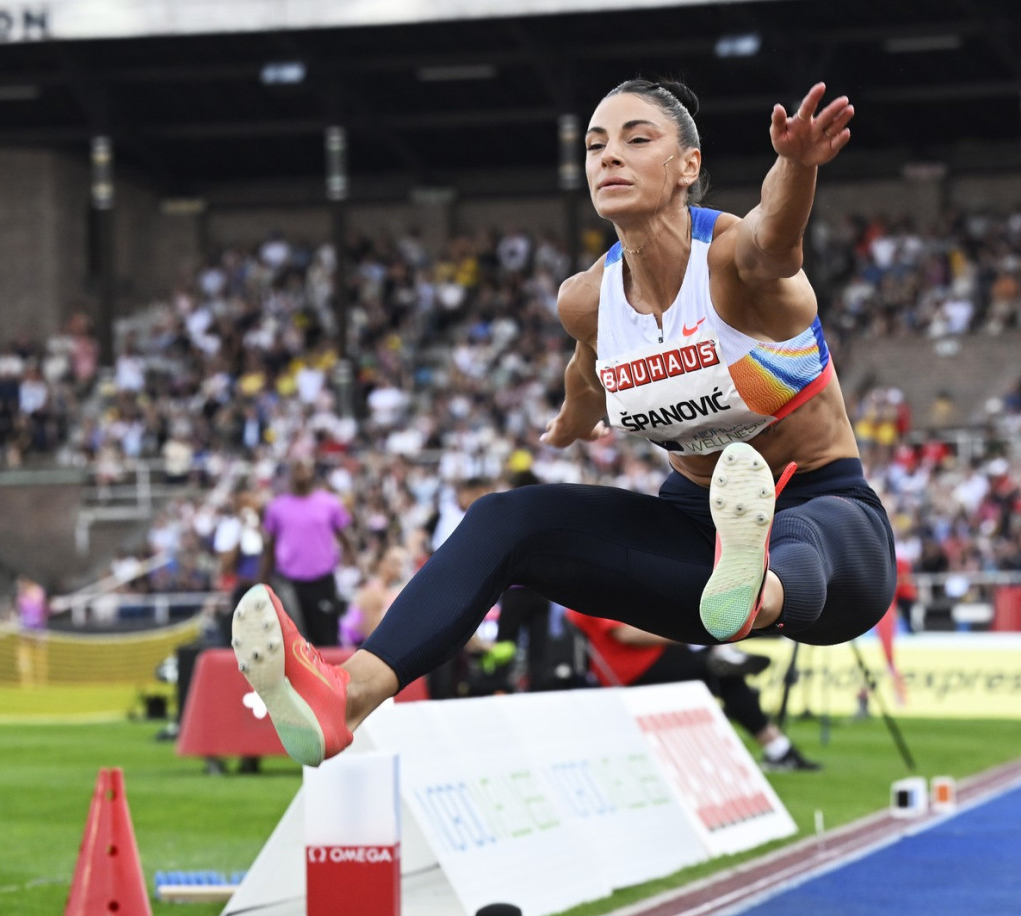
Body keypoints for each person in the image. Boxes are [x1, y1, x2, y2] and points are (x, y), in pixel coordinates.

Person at [232, 78, 896, 768]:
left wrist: (796, 164)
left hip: (831, 528)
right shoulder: (587, 299)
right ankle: (346, 694)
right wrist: (575, 417)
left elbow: (777, 239)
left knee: (798, 530)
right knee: (503, 519)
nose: (609, 156)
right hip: (691, 542)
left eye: (637, 139)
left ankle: (757, 588)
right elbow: (587, 372)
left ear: (688, 166)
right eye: (595, 145)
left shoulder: (732, 262)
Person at [567, 610, 818, 771]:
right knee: (722, 673)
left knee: (724, 674)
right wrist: (688, 636)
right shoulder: (594, 586)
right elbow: (627, 634)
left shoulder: (594, 581)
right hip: (630, 670)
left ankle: (776, 749)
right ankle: (777, 749)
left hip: (645, 661)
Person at [259, 459, 354, 647]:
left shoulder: (330, 503)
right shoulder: (277, 507)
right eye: (296, 466)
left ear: (313, 471)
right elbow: (270, 546)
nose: (300, 470)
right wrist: (263, 581)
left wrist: (354, 563)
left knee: (327, 637)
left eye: (304, 466)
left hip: (323, 581)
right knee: (295, 640)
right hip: (291, 583)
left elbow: (345, 537)